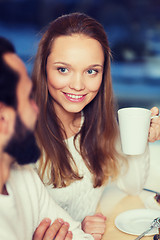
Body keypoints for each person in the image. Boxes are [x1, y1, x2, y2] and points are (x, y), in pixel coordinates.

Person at [32, 12, 160, 240]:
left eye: (91, 71)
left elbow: (132, 186)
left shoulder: (95, 124)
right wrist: (78, 229)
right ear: (43, 68)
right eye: (63, 69)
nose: (78, 85)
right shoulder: (23, 138)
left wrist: (141, 139)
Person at [0, 36, 94, 240]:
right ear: (3, 118)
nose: (37, 109)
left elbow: (79, 236)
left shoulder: (22, 176)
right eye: (28, 98)